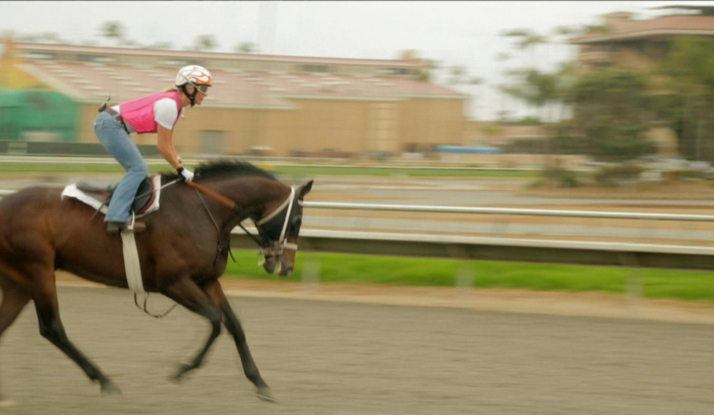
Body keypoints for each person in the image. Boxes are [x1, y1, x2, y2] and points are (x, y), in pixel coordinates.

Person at [93, 65, 212, 234]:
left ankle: (119, 205)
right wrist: (181, 170)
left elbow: (168, 144)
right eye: (203, 89)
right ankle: (115, 218)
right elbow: (162, 146)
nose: (205, 94)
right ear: (190, 88)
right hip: (109, 125)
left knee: (137, 168)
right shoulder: (169, 106)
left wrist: (179, 164)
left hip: (112, 124)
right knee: (138, 169)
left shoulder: (178, 108)